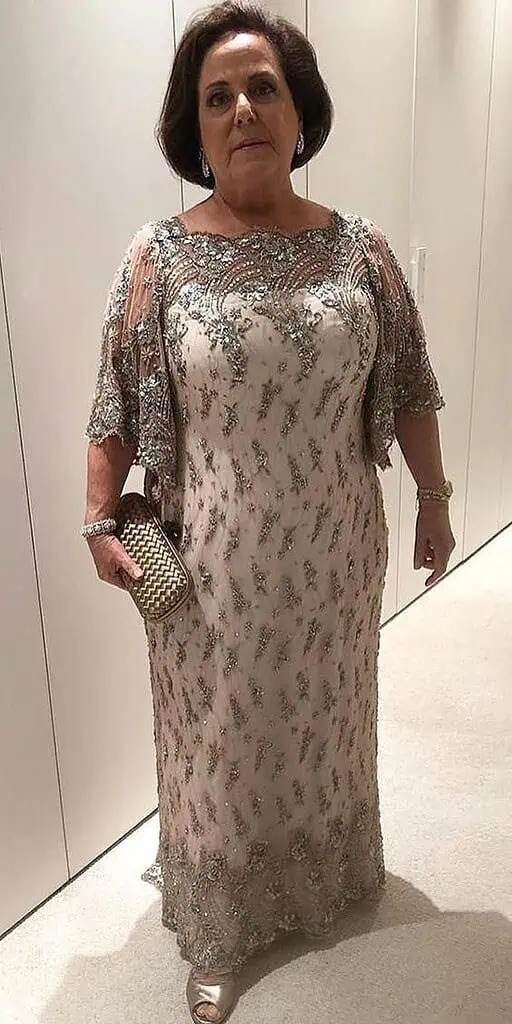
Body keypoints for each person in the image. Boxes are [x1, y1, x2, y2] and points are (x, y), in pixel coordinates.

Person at [82, 2, 456, 1021]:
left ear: (299, 112)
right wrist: (98, 522)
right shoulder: (158, 258)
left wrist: (431, 498)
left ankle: (325, 874)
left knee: (329, 718)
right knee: (219, 743)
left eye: (262, 88)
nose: (242, 109)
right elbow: (114, 403)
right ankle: (219, 928)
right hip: (211, 569)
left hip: (337, 553)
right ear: (194, 130)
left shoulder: (360, 251)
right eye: (217, 97)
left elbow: (409, 383)